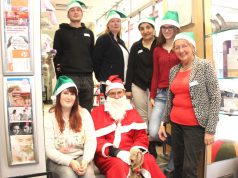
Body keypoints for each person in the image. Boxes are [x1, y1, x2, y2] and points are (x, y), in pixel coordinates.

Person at [158, 32, 221, 178]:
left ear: (192, 47)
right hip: (176, 124)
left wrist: (210, 130)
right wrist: (163, 122)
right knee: (178, 164)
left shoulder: (205, 66)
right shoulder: (174, 70)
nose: (181, 50)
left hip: (195, 127)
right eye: (177, 47)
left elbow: (215, 97)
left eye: (184, 46)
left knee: (189, 169)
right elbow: (170, 99)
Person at [91, 75, 165, 178]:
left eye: (119, 93)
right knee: (119, 165)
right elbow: (96, 140)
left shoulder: (131, 111)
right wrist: (116, 152)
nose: (117, 96)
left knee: (148, 160)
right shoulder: (97, 113)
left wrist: (135, 151)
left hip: (132, 152)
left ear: (124, 93)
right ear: (107, 95)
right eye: (113, 93)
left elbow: (141, 136)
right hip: (108, 156)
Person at [44, 76, 97, 178]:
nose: (69, 97)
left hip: (81, 157)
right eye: (65, 93)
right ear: (59, 95)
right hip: (58, 160)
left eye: (72, 94)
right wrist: (69, 162)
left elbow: (91, 141)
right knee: (69, 175)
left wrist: (86, 160)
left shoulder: (84, 114)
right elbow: (49, 149)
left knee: (88, 174)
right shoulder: (49, 117)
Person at [149, 11, 180, 161]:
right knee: (153, 131)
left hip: (178, 94)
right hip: (161, 95)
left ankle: (172, 165)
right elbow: (155, 73)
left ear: (176, 29)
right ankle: (181, 145)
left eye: (170, 27)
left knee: (178, 130)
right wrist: (152, 95)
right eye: (164, 28)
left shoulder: (181, 47)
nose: (167, 30)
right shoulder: (157, 49)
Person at [53, 0, 94, 112]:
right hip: (69, 76)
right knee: (69, 110)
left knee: (87, 110)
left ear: (82, 13)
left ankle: (85, 130)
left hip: (88, 78)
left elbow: (92, 54)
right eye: (72, 10)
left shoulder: (89, 33)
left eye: (78, 10)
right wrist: (60, 77)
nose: (75, 12)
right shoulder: (60, 33)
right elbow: (56, 56)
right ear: (68, 14)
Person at [125, 17, 157, 127]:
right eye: (142, 29)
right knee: (142, 115)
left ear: (153, 29)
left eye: (148, 27)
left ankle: (153, 139)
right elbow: (131, 68)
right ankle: (144, 140)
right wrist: (128, 89)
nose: (145, 31)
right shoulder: (135, 46)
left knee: (153, 114)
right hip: (138, 85)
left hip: (155, 85)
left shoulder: (159, 44)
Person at [93, 10, 129, 96]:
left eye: (118, 21)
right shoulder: (103, 39)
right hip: (109, 83)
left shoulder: (121, 42)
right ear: (108, 25)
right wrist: (102, 78)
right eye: (112, 21)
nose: (116, 23)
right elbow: (96, 60)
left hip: (121, 82)